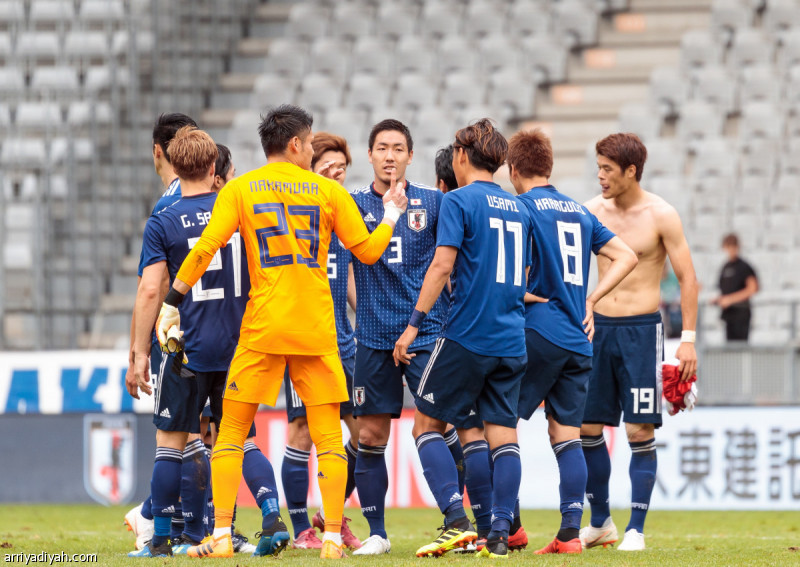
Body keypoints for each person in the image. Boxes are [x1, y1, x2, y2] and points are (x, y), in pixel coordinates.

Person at [154, 104, 408, 560]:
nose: (311, 151)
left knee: (230, 432)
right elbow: (368, 253)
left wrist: (172, 302)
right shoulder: (327, 192)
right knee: (329, 436)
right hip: (314, 328)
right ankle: (331, 537)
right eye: (310, 143)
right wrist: (390, 215)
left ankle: (222, 535)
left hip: (263, 327)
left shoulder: (242, 188)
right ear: (295, 144)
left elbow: (207, 248)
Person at [394, 119, 531, 559]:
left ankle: (455, 521)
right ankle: (500, 533)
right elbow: (526, 272)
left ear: (460, 156)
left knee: (426, 424)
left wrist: (413, 325)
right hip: (512, 339)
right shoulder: (519, 207)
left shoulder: (459, 201)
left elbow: (441, 266)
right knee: (502, 436)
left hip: (468, 336)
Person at [128, 127, 262, 556]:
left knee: (171, 443)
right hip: (240, 346)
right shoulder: (241, 212)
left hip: (184, 347)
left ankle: (162, 539)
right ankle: (229, 528)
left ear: (173, 166)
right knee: (234, 441)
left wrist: (140, 351)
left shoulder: (163, 220)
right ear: (212, 167)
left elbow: (152, 289)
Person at [508, 129, 638, 555]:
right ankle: (569, 536)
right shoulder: (579, 211)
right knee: (567, 436)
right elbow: (626, 255)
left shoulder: (520, 208)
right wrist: (591, 299)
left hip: (537, 332)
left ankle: (508, 527)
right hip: (579, 338)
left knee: (496, 426)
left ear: (513, 170)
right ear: (549, 167)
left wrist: (524, 295)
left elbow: (507, 275)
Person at [348, 119, 466, 556]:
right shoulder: (352, 203)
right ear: (370, 155)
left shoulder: (434, 203)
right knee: (371, 435)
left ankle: (461, 518)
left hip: (427, 333)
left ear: (411, 156)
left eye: (398, 148)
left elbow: (454, 262)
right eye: (382, 148)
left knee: (441, 426)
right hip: (374, 338)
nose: (390, 155)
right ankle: (377, 533)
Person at [580, 133, 698, 552]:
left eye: (608, 169)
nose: (600, 176)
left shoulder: (661, 214)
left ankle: (636, 529)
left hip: (642, 331)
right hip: (597, 331)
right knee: (587, 428)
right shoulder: (591, 211)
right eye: (598, 167)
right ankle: (600, 523)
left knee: (638, 428)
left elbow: (688, 279)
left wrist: (688, 340)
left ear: (631, 171)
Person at [279, 132, 362, 550]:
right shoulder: (294, 208)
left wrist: (363, 320)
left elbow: (346, 273)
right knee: (301, 431)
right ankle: (301, 531)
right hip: (302, 338)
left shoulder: (342, 209)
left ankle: (331, 516)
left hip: (342, 342)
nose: (335, 172)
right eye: (326, 165)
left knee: (365, 431)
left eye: (340, 167)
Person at [124, 112, 198, 552]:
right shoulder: (212, 200)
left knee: (181, 438)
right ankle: (169, 524)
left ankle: (156, 519)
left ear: (158, 152)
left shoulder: (166, 208)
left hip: (176, 337)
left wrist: (138, 353)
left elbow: (151, 288)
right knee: (193, 437)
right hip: (211, 334)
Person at [712, 233, 758, 342]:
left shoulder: (744, 266)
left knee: (740, 347)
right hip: (729, 315)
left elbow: (752, 288)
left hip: (741, 314)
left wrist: (730, 300)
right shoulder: (725, 267)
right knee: (730, 347)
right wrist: (719, 300)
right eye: (728, 247)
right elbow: (725, 290)